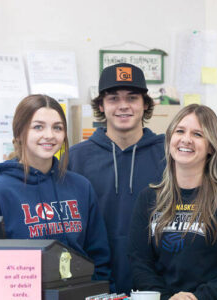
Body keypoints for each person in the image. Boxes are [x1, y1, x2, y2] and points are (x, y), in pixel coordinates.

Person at [128, 104, 217, 300]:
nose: (186, 139)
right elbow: (140, 263)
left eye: (198, 134)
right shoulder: (149, 198)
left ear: (211, 146)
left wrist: (199, 298)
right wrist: (167, 298)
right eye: (180, 131)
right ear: (170, 139)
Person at [0, 94, 111, 282]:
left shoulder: (81, 187)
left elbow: (99, 256)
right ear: (19, 133)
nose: (49, 135)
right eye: (38, 127)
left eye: (57, 128)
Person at [68, 63, 165, 293]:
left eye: (132, 98)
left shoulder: (168, 155)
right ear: (101, 105)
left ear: (145, 104)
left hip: (157, 284)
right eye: (113, 98)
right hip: (94, 284)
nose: (123, 106)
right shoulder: (76, 158)